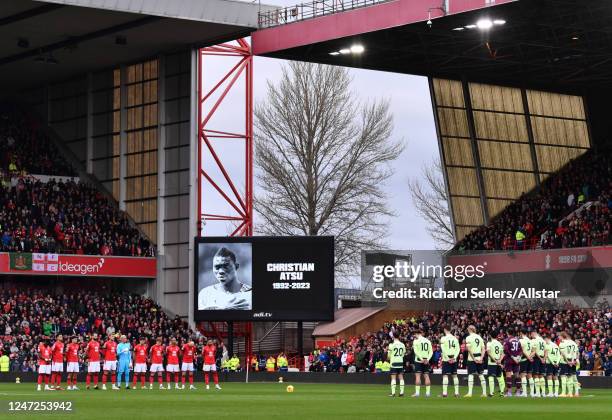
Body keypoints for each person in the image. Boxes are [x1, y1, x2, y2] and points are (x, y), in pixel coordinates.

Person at [464, 325, 487, 397]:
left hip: (472, 358)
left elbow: (469, 349)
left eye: (468, 329)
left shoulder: (468, 338)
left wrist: (474, 359)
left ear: (470, 330)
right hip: (479, 357)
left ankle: (470, 393)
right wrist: (481, 358)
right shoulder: (479, 337)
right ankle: (484, 393)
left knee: (471, 374)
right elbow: (483, 349)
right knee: (481, 375)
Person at [439, 325, 460, 398]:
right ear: (450, 329)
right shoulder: (455, 338)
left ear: (445, 329)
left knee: (445, 375)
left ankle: (445, 393)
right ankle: (456, 393)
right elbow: (458, 349)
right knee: (455, 376)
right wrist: (454, 358)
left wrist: (448, 358)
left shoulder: (443, 338)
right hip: (454, 359)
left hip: (446, 359)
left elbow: (443, 349)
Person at [411, 329, 432, 397]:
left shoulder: (416, 341)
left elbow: (416, 352)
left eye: (415, 334)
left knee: (418, 376)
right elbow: (431, 352)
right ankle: (428, 393)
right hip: (426, 360)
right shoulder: (427, 341)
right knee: (426, 375)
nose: (414, 336)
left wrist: (421, 359)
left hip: (419, 360)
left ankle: (417, 393)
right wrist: (427, 359)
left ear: (417, 334)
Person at [558, 331, 579, 397]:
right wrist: (573, 361)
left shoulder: (562, 343)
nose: (558, 337)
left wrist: (568, 362)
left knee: (563, 376)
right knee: (572, 376)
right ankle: (572, 393)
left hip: (565, 361)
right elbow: (576, 353)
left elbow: (563, 354)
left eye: (559, 336)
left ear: (562, 336)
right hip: (572, 361)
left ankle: (563, 393)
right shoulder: (573, 343)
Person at [486, 332, 505, 397]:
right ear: (497, 336)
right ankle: (502, 393)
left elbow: (488, 353)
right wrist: (499, 360)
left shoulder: (489, 343)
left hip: (491, 363)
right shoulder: (499, 343)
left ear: (490, 336)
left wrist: (495, 361)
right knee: (500, 377)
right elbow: (503, 354)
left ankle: (491, 393)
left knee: (491, 377)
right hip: (498, 363)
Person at [503, 330, 522, 396]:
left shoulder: (506, 340)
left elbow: (506, 350)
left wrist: (512, 356)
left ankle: (509, 392)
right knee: (517, 375)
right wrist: (518, 357)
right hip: (517, 360)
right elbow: (521, 350)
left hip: (509, 360)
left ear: (507, 333)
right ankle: (518, 392)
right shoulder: (517, 340)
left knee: (508, 375)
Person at [530, 331, 546, 397]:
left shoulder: (534, 340)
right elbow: (545, 350)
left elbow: (534, 351)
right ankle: (543, 392)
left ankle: (537, 392)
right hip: (542, 359)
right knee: (541, 375)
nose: (531, 336)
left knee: (535, 375)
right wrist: (544, 359)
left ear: (534, 334)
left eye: (531, 335)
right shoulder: (543, 340)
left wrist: (539, 358)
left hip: (537, 358)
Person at [518, 330, 534, 397]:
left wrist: (527, 357)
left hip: (524, 359)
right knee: (530, 375)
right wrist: (530, 357)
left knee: (523, 375)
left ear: (521, 333)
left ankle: (524, 393)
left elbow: (521, 350)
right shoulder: (530, 341)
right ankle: (532, 393)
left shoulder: (521, 340)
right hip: (530, 360)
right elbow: (533, 351)